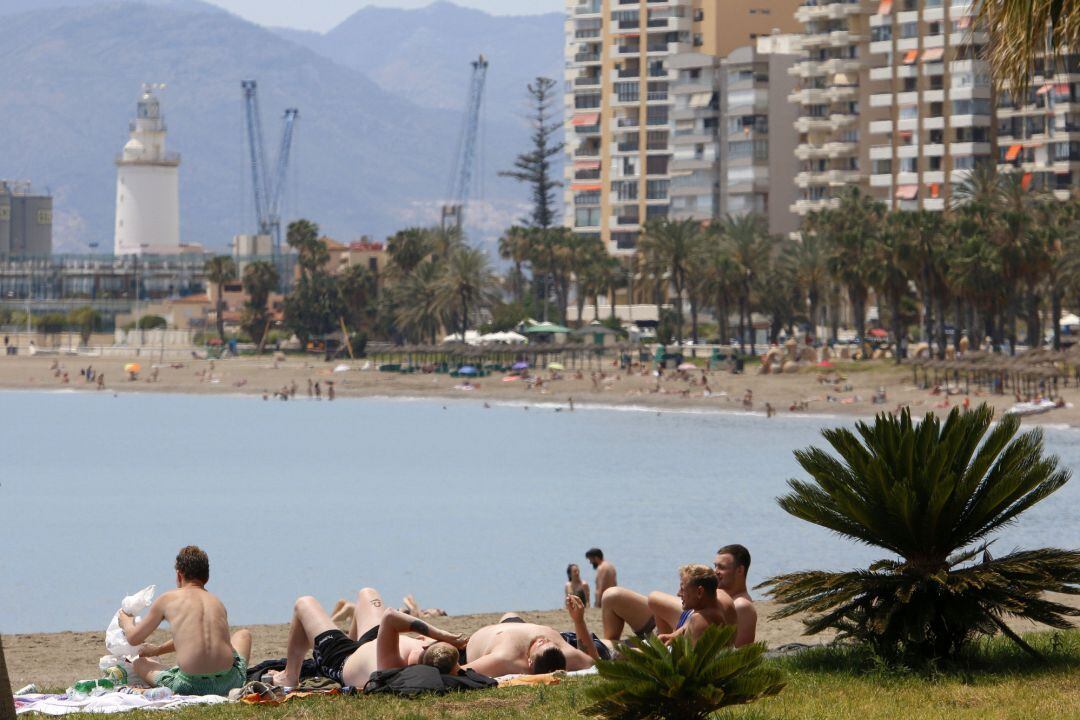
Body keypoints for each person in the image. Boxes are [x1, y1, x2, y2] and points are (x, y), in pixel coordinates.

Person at [120, 546, 252, 696]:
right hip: (229, 682)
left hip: (189, 686)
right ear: (207, 577)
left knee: (139, 664)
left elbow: (133, 638)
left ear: (179, 575)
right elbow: (196, 638)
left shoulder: (168, 599)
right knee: (243, 634)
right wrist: (157, 650)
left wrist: (126, 619)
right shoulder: (216, 602)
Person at [270, 588, 466, 688]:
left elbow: (391, 616)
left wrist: (440, 634)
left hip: (341, 660)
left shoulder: (391, 664)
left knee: (304, 603)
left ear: (424, 648)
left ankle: (289, 676)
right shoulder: (438, 657)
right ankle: (351, 632)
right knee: (367, 593)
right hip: (376, 642)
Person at [460, 601, 599, 677]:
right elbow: (595, 663)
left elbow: (459, 671)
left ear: (530, 662)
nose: (543, 639)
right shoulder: (565, 654)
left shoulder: (505, 658)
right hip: (514, 624)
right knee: (510, 614)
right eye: (549, 641)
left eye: (540, 644)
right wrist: (579, 620)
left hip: (481, 641)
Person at [657, 565, 732, 645]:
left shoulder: (700, 621)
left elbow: (692, 657)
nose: (678, 594)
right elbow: (687, 625)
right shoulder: (714, 604)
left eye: (683, 589)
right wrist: (672, 636)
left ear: (699, 592)